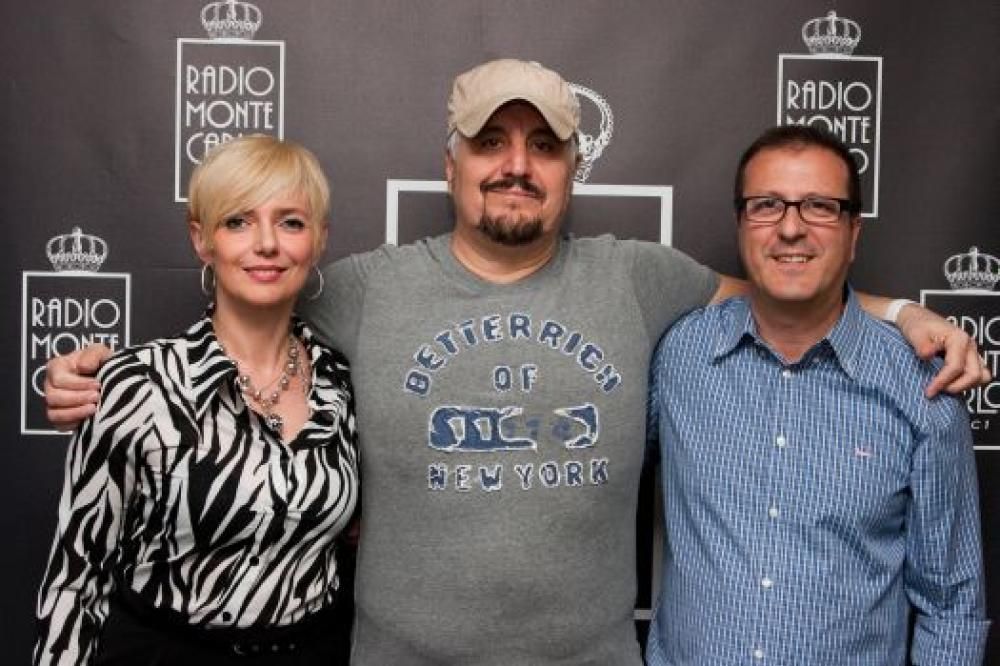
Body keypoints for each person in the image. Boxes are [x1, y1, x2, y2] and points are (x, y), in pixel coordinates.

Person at [44, 60, 989, 665]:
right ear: (450, 163)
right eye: (489, 141)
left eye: (544, 146)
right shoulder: (366, 289)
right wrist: (111, 375)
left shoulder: (638, 278)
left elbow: (784, 285)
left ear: (574, 169)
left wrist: (904, 314)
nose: (516, 165)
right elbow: (251, 305)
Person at [646, 125, 989, 665]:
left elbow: (951, 607)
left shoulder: (923, 387)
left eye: (819, 207)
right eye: (766, 205)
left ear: (853, 233)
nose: (790, 228)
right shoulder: (678, 356)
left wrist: (904, 314)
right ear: (741, 225)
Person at [35, 135, 359, 665]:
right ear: (201, 239)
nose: (266, 243)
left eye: (290, 222)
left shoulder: (344, 384)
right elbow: (76, 577)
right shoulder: (136, 386)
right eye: (238, 221)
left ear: (319, 239)